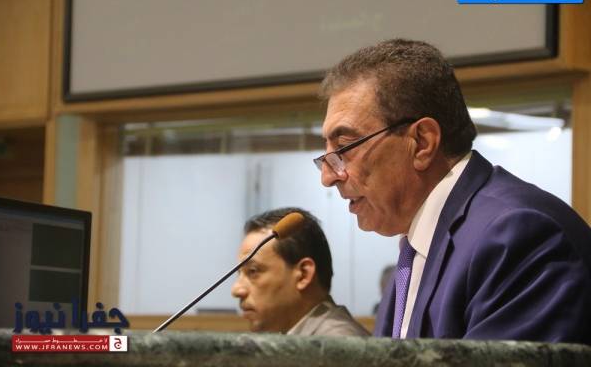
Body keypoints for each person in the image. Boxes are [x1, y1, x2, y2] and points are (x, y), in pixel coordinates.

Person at [314, 38, 591, 343]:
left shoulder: (516, 235)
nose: (328, 177)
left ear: (422, 142)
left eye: (344, 148)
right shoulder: (414, 249)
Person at [231, 207, 370, 336]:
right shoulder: (298, 338)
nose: (236, 290)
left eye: (253, 271)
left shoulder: (338, 344)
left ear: (303, 274)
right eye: (239, 274)